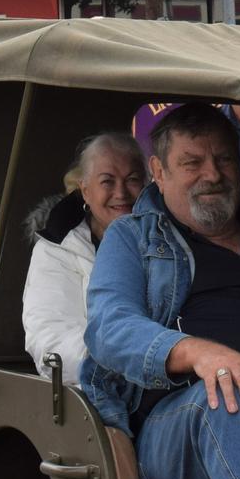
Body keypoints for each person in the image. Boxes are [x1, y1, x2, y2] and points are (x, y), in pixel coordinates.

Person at [81, 103, 240, 479]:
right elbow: (109, 328)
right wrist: (197, 352)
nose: (212, 174)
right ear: (158, 172)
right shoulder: (133, 237)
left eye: (223, 159)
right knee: (226, 396)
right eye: (192, 163)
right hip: (171, 431)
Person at [22, 133, 147, 386]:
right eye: (107, 181)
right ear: (86, 191)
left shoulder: (169, 239)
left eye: (132, 180)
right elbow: (50, 339)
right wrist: (129, 360)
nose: (121, 193)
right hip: (100, 390)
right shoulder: (56, 249)